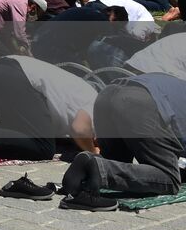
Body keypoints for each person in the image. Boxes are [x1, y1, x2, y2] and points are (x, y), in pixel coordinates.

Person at [54, 73, 186, 210]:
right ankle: (97, 168)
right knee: (169, 178)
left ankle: (86, 168)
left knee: (117, 164)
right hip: (140, 103)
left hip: (107, 95)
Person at [0, 55, 96, 162]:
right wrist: (92, 152)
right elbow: (80, 129)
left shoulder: (88, 96)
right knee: (43, 148)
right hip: (16, 76)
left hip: (1, 70)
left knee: (18, 137)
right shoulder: (95, 102)